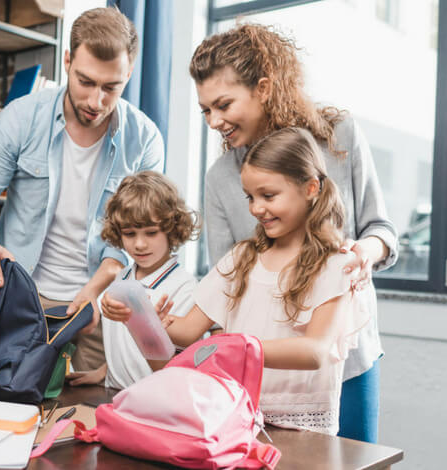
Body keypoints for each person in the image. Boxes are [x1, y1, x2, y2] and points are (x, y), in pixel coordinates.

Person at [189, 24, 396, 443]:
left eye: (223, 104)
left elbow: (382, 231)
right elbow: (226, 285)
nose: (214, 121)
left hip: (347, 360)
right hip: (267, 376)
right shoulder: (221, 178)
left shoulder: (341, 138)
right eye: (205, 110)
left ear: (263, 88)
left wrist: (363, 253)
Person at [105, 127, 373, 436]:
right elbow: (189, 331)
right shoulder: (241, 258)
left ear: (311, 188)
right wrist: (140, 318)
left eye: (268, 196)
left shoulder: (337, 265)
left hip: (301, 432)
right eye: (250, 197)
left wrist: (240, 347)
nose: (256, 208)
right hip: (235, 419)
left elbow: (315, 352)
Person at [0, 7, 165, 373]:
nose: (96, 102)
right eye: (86, 82)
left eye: (111, 87)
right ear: (67, 61)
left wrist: (95, 292)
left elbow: (132, 239)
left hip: (98, 303)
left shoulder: (144, 139)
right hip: (18, 298)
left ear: (128, 74)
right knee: (5, 407)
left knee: (85, 418)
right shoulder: (20, 117)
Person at [67, 171, 200, 389]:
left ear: (172, 230)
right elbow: (124, 346)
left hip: (153, 400)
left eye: (151, 233)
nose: (139, 244)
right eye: (129, 234)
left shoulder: (185, 287)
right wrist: (104, 372)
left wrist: (142, 319)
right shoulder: (122, 276)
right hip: (112, 392)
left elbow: (175, 365)